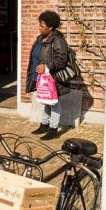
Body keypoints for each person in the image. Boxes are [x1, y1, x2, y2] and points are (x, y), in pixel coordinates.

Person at [25, 11, 70, 140]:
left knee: (54, 102)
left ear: (50, 27)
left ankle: (53, 129)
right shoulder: (41, 38)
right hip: (41, 76)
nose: (39, 28)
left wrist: (47, 66)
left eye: (42, 25)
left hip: (52, 77)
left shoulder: (58, 40)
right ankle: (44, 124)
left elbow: (62, 60)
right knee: (46, 100)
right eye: (39, 25)